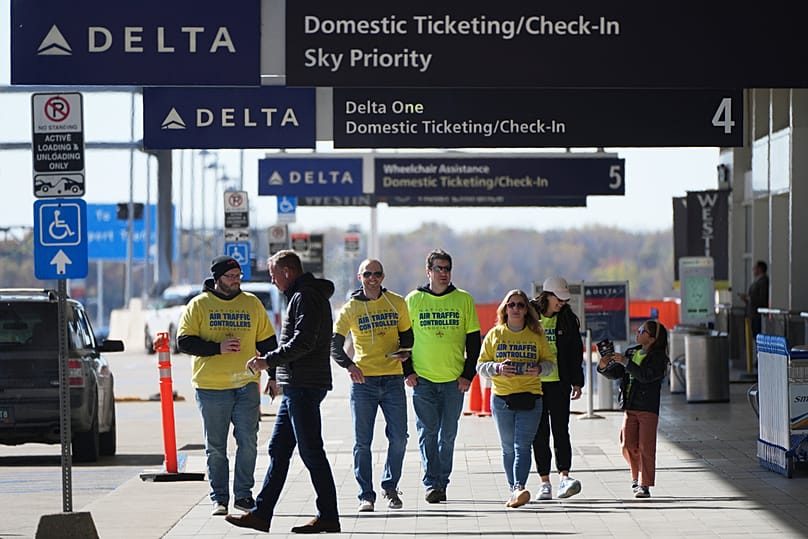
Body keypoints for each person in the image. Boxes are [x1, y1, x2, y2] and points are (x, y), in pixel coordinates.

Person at [225, 250, 340, 534]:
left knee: (312, 452)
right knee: (278, 449)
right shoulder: (301, 295)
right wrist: (277, 375)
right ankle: (261, 514)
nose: (273, 281)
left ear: (288, 272)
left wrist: (269, 360)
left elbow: (304, 341)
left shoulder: (306, 297)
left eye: (274, 274)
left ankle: (328, 516)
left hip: (305, 385)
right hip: (295, 385)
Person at [176, 255, 277, 516]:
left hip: (246, 384)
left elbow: (268, 345)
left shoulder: (252, 304)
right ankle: (219, 497)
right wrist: (217, 348)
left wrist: (273, 377)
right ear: (218, 277)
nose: (236, 281)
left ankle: (243, 496)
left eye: (238, 276)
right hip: (211, 386)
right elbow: (184, 342)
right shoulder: (199, 305)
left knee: (249, 441)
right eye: (231, 277)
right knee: (216, 447)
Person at [331, 258, 415, 512]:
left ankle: (390, 487)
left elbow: (408, 337)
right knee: (362, 442)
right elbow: (334, 345)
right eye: (367, 274)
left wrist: (405, 355)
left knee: (399, 437)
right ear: (360, 277)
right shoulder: (350, 308)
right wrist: (350, 366)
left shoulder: (396, 302)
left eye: (377, 273)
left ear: (383, 276)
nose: (372, 278)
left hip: (392, 379)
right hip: (364, 381)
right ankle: (365, 495)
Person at [405, 248, 481, 503]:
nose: (443, 273)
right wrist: (408, 371)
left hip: (453, 381)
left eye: (447, 268)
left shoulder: (463, 299)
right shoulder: (413, 300)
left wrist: (468, 375)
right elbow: (402, 339)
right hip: (423, 380)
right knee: (427, 432)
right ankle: (432, 483)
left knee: (447, 435)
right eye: (438, 268)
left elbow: (473, 342)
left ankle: (442, 481)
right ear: (428, 271)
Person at [477, 289, 556, 508]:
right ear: (505, 308)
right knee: (508, 447)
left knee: (523, 445)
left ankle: (519, 487)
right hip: (502, 398)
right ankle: (513, 489)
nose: (516, 309)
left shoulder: (536, 334)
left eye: (520, 305)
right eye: (511, 305)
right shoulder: (495, 334)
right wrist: (498, 368)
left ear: (526, 310)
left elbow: (550, 364)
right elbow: (480, 366)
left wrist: (539, 368)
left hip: (531, 397)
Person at [596, 319, 670, 499]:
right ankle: (636, 476)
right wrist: (604, 365)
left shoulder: (659, 358)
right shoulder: (632, 352)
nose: (638, 331)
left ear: (652, 339)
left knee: (646, 446)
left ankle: (643, 484)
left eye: (643, 330)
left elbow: (645, 376)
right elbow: (617, 374)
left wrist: (626, 362)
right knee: (627, 444)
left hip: (647, 407)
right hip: (630, 406)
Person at [530, 276, 585, 501]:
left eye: (564, 300)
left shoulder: (567, 319)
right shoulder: (529, 315)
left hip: (559, 383)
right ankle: (544, 481)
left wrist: (577, 381)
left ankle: (565, 476)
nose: (561, 303)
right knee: (539, 434)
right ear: (547, 296)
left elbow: (575, 352)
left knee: (561, 430)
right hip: (535, 385)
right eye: (558, 299)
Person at [739, 260, 769, 336]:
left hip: (757, 315)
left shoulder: (764, 281)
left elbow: (762, 298)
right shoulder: (757, 281)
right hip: (753, 314)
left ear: (760, 269)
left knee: (757, 334)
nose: (753, 270)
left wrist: (749, 298)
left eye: (755, 268)